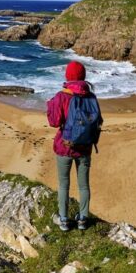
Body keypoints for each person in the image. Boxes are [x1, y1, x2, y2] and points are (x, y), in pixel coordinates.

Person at [46, 60, 103, 231]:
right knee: (83, 184)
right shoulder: (91, 97)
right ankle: (83, 218)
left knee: (64, 183)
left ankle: (64, 219)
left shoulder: (61, 96)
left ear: (68, 76)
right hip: (85, 147)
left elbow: (54, 122)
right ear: (83, 76)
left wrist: (50, 106)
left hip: (64, 146)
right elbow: (97, 121)